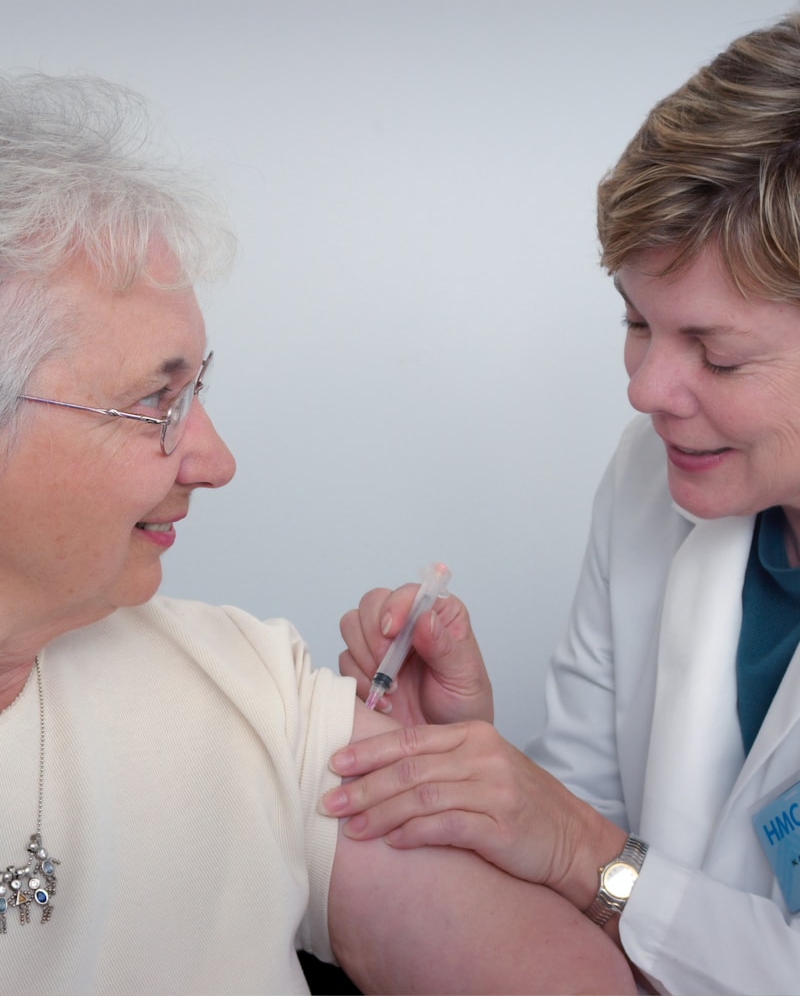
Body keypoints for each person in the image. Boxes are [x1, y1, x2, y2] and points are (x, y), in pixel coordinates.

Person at [0, 70, 637, 996]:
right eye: (155, 402)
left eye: (197, 392)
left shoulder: (249, 691)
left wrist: (446, 791)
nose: (215, 460)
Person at [322, 12, 800, 995]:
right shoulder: (652, 478)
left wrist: (579, 845)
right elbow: (576, 848)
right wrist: (471, 768)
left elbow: (594, 858)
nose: (644, 389)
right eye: (635, 321)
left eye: (714, 353)